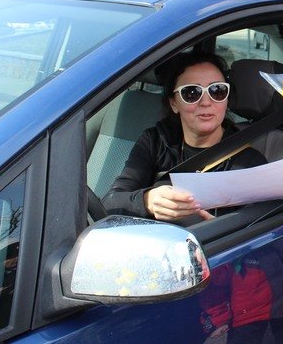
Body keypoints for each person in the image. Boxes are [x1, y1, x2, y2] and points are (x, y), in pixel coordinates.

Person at [103, 51, 266, 222]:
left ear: (226, 101)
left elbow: (261, 229)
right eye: (192, 93)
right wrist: (147, 201)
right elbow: (109, 203)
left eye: (217, 91)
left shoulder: (249, 163)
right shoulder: (155, 141)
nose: (206, 102)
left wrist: (217, 228)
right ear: (174, 103)